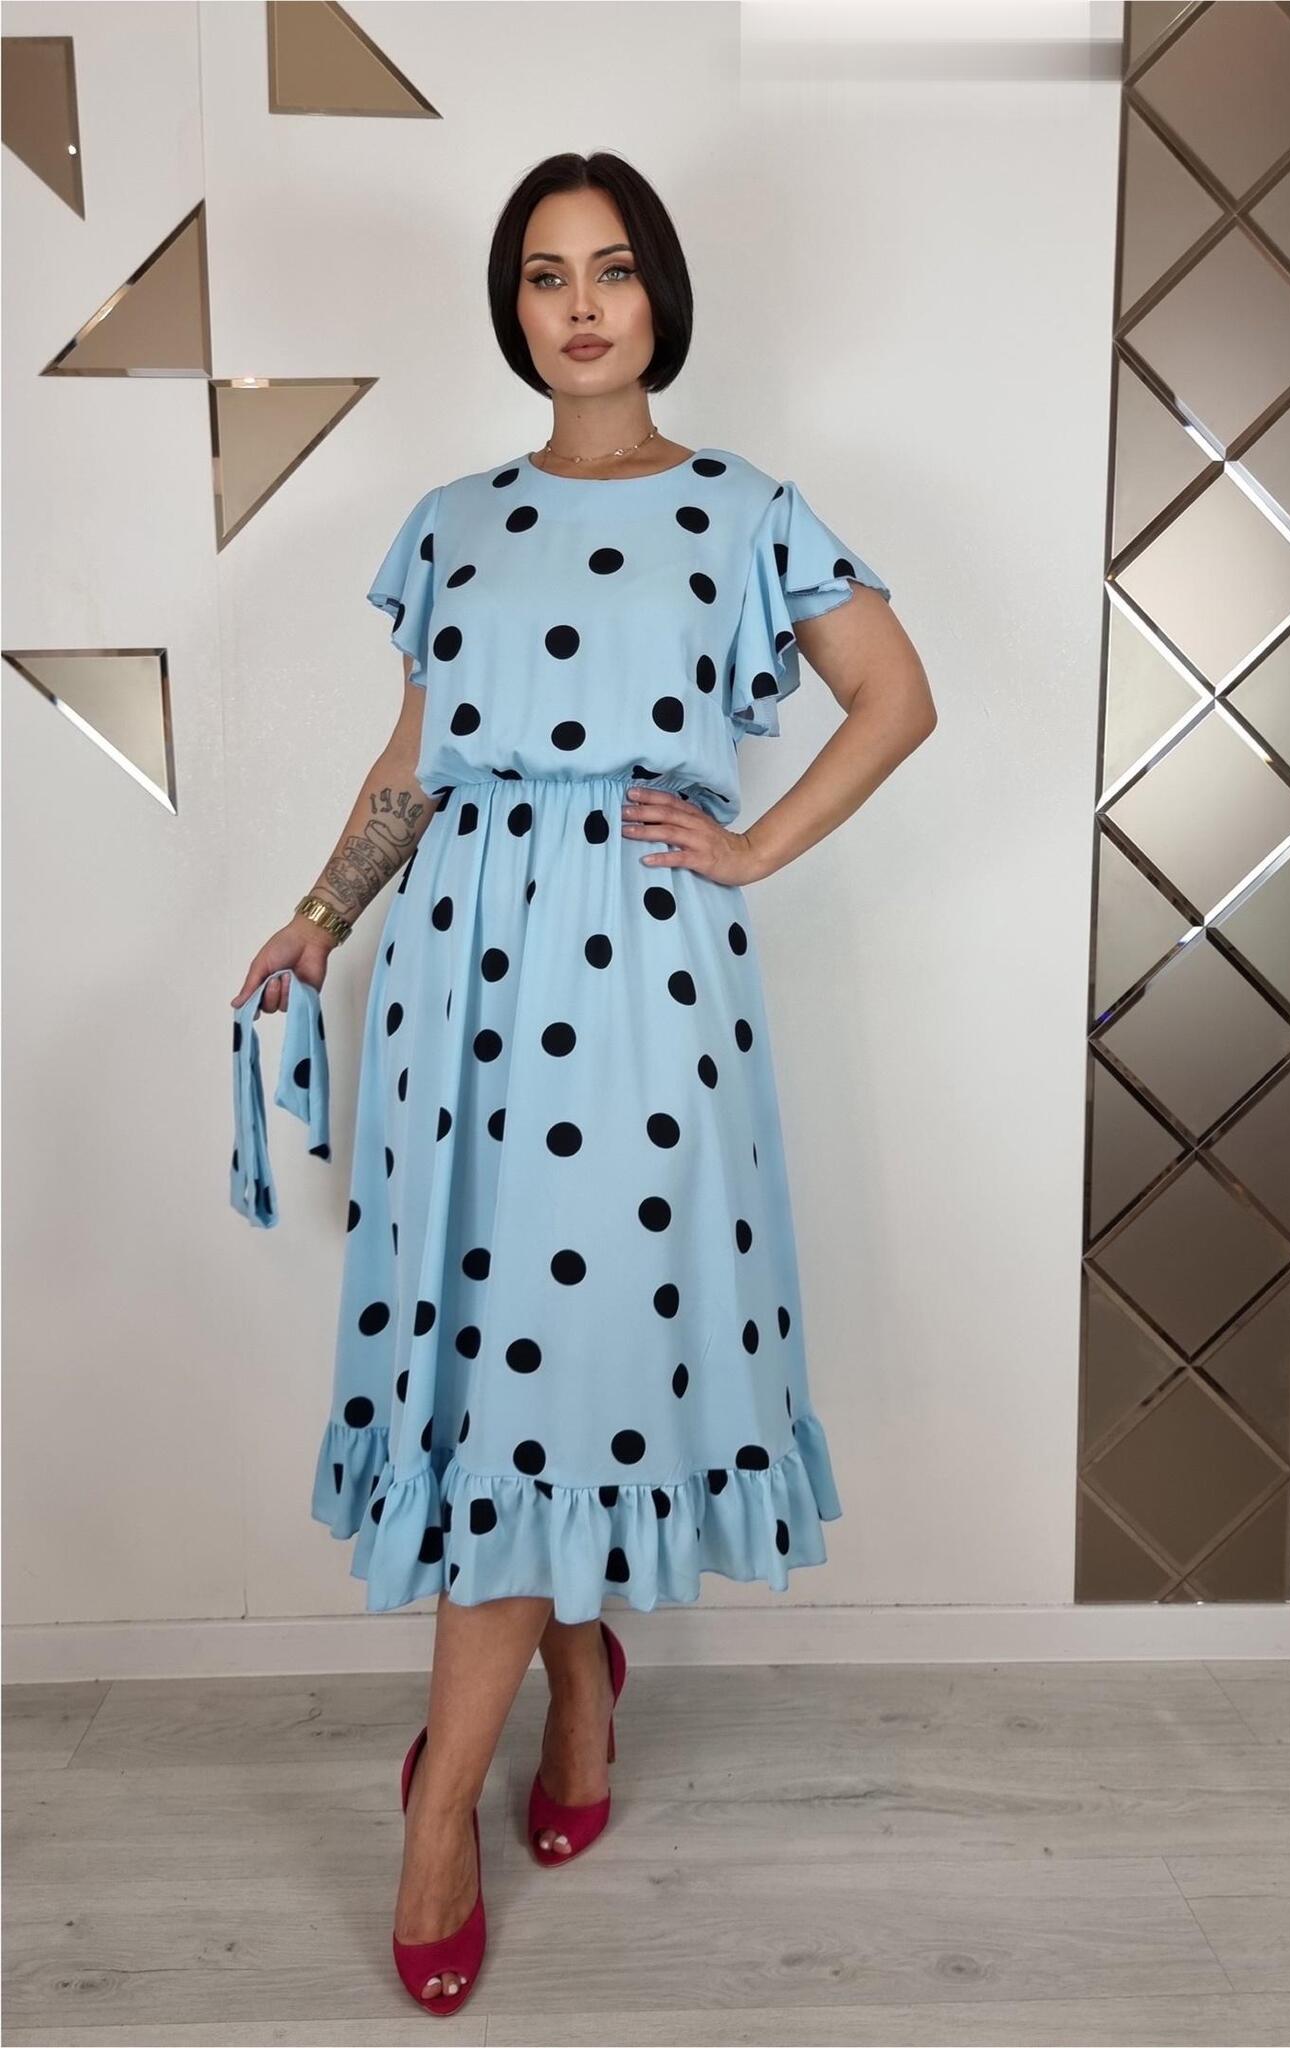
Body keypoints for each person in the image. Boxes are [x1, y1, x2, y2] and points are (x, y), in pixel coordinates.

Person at [229, 149, 936, 2016]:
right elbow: (412, 762)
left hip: (642, 993)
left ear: (658, 294)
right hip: (455, 983)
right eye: (544, 275)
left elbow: (896, 695)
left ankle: (434, 1818)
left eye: (610, 268)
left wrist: (751, 847)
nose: (580, 304)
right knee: (498, 1360)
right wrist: (320, 918)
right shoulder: (454, 521)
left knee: (578, 1355)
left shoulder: (745, 508)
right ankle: (577, 1685)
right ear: (515, 310)